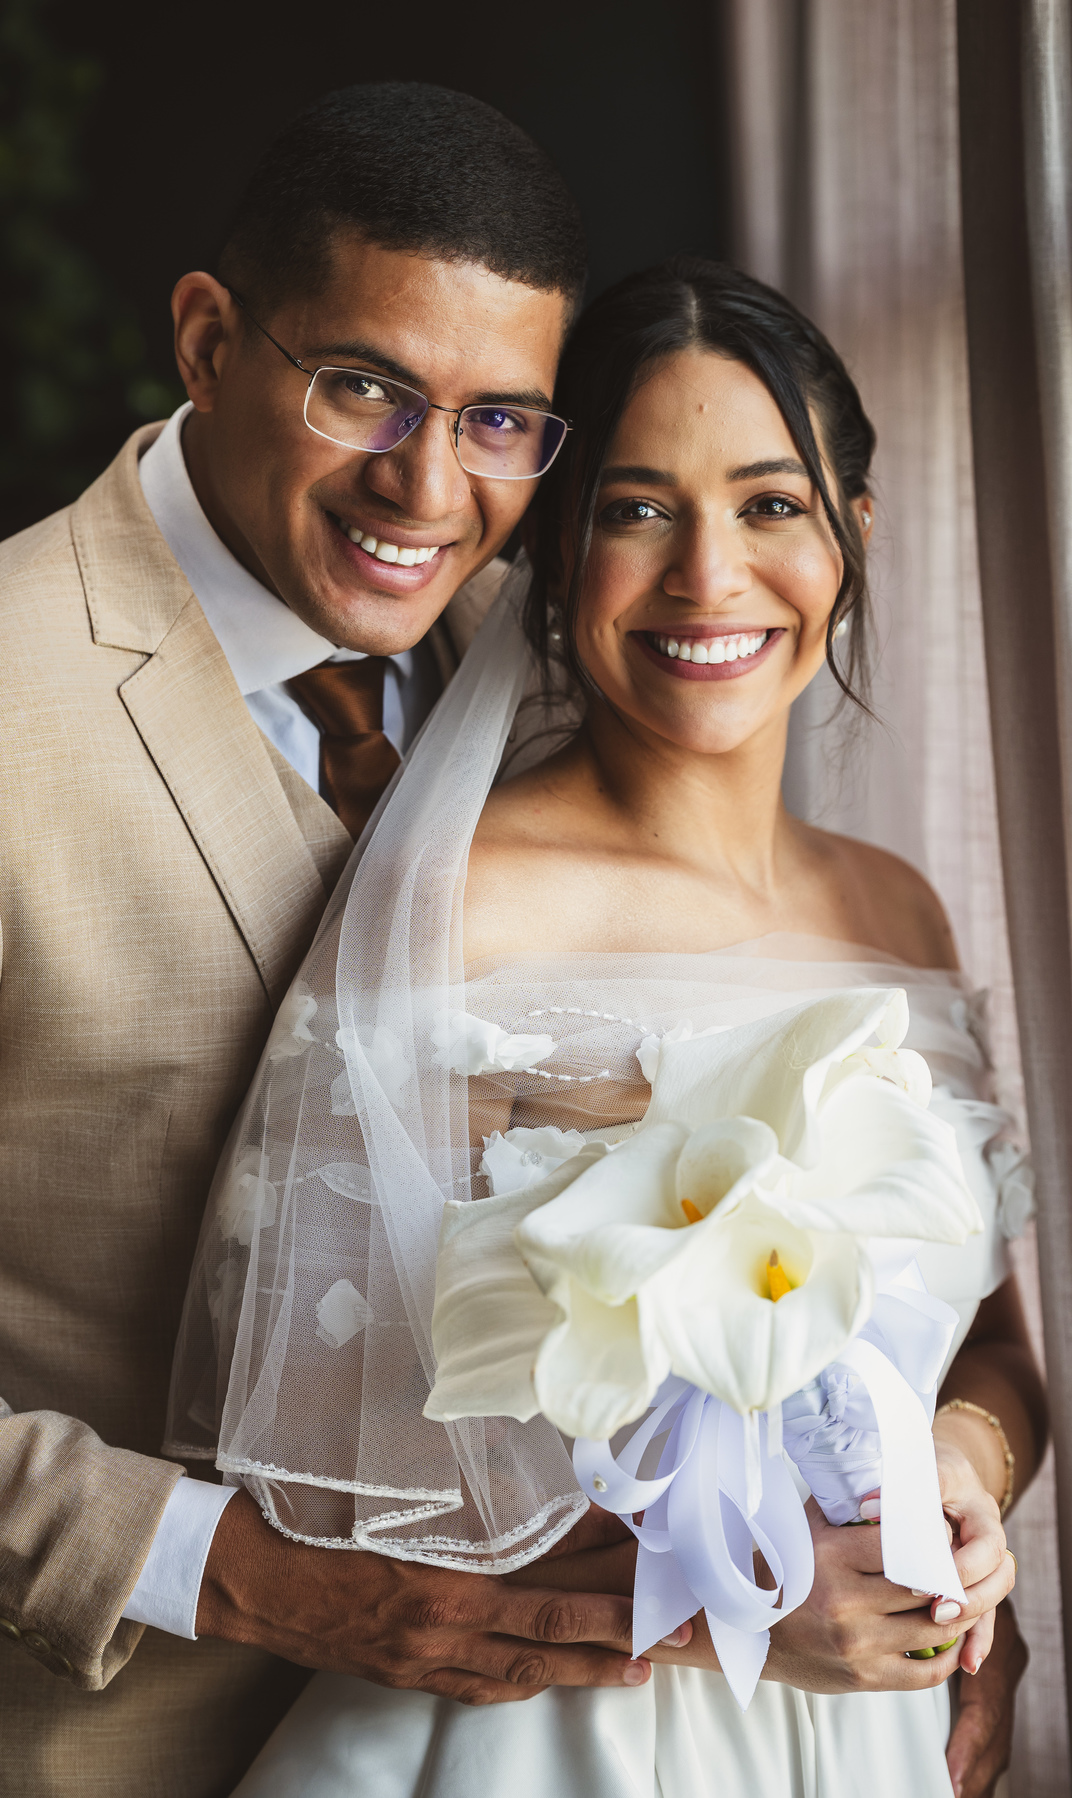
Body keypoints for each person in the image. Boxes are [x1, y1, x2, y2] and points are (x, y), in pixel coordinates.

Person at [0, 81, 668, 1798]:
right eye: (364, 387)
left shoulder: (530, 663)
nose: (429, 485)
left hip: (478, 1743)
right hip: (95, 1738)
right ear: (210, 337)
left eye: (502, 421)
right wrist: (241, 1571)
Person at [173, 257, 1047, 1798]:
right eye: (640, 508)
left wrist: (956, 1481)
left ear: (855, 527)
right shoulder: (468, 904)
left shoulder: (898, 910)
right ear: (560, 551)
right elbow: (330, 1459)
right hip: (559, 1732)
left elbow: (981, 1341)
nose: (710, 576)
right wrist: (755, 1602)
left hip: (875, 1732)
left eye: (771, 503)